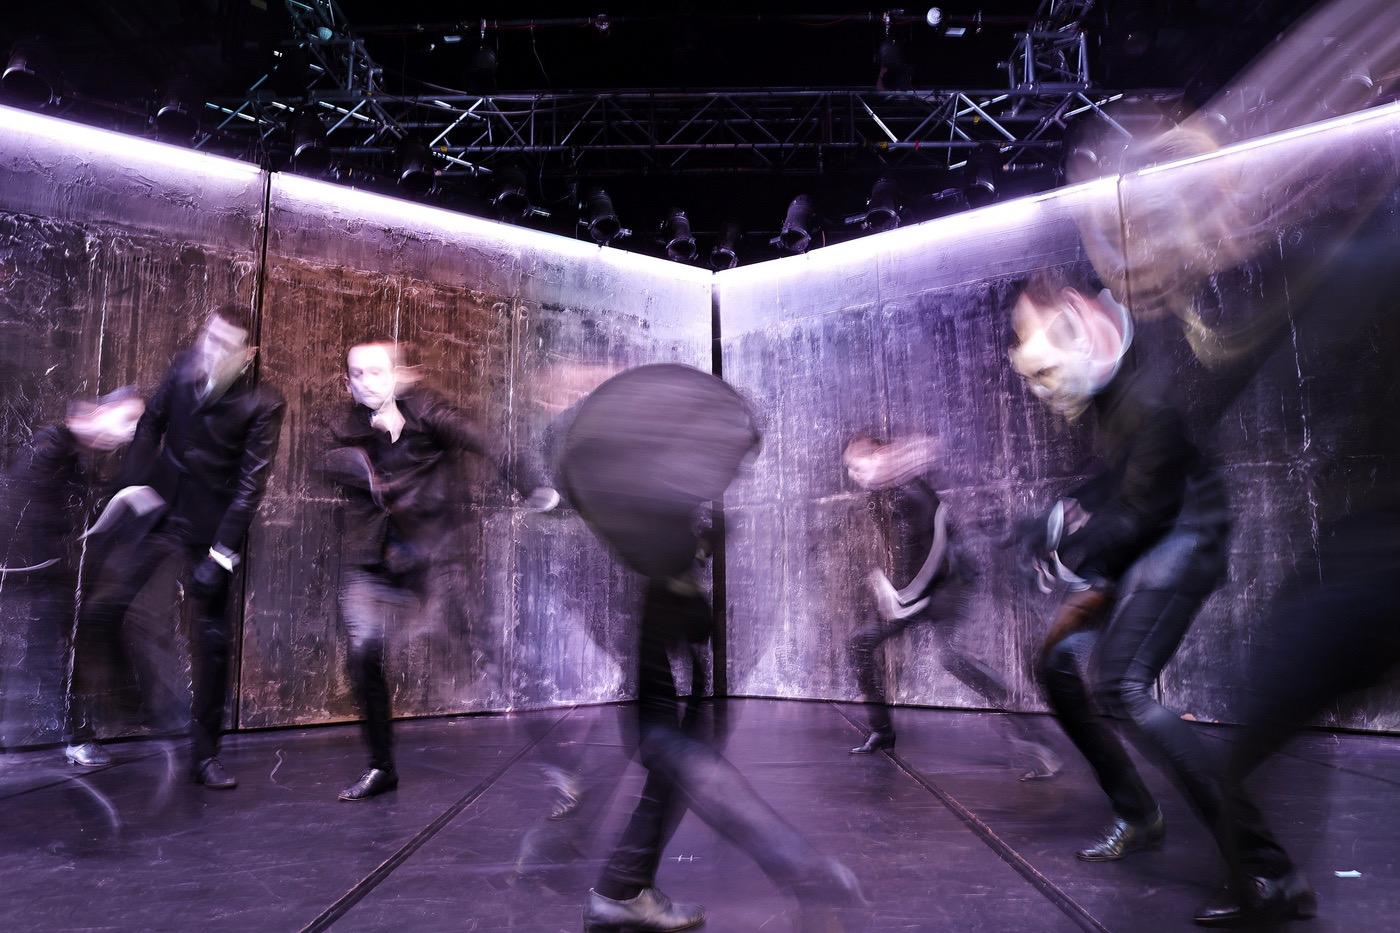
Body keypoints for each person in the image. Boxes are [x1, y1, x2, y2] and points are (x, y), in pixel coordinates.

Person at [1007, 271, 1294, 887]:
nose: (1040, 387)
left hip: (1184, 534)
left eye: (1044, 367)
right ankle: (1138, 814)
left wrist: (1069, 555)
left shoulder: (1154, 381)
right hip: (1143, 536)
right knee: (1057, 664)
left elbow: (1144, 504)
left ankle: (1267, 869)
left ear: (1082, 321)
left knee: (1122, 685)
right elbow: (1125, 475)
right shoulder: (1108, 388)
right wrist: (1058, 514)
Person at [561, 363, 861, 933]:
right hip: (657, 632)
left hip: (662, 630)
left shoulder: (645, 496)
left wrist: (698, 545)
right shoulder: (649, 512)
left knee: (674, 756)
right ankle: (800, 868)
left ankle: (623, 889)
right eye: (732, 458)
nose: (733, 472)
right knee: (674, 751)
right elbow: (664, 574)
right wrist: (690, 555)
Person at [322, 337, 558, 802]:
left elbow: (485, 441)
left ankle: (554, 764)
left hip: (430, 558)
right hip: (372, 560)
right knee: (363, 655)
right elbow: (328, 464)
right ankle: (381, 767)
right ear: (347, 382)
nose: (366, 382)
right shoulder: (344, 424)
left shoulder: (427, 410)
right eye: (357, 374)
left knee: (483, 654)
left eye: (376, 372)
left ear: (397, 375)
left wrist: (532, 486)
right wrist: (371, 458)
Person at [74, 303, 283, 788]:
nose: (211, 351)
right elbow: (151, 423)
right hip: (159, 511)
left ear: (247, 354)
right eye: (209, 338)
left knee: (211, 641)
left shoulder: (264, 402)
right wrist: (136, 484)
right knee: (103, 608)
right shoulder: (184, 366)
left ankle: (205, 757)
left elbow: (250, 485)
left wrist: (221, 553)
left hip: (211, 529)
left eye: (225, 346)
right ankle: (113, 716)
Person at [843, 433, 1060, 778]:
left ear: (879, 455)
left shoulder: (913, 492)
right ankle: (882, 732)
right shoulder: (886, 492)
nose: (853, 475)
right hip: (916, 591)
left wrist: (902, 596)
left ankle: (1036, 740)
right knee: (860, 642)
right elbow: (909, 552)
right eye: (850, 469)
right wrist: (896, 592)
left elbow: (935, 552)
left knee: (952, 657)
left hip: (949, 586)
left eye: (857, 466)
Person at [0, 390, 144, 757]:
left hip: (43, 572)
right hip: (31, 571)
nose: (129, 432)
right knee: (53, 656)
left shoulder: (80, 456)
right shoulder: (53, 446)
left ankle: (73, 735)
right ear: (100, 412)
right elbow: (26, 508)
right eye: (126, 420)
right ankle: (74, 738)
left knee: (56, 653)